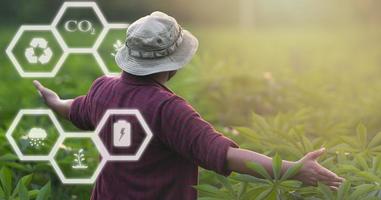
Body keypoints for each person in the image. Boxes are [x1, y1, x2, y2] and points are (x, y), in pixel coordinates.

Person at [33, 11, 344, 200]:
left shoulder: (102, 88)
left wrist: (53, 100)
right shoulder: (167, 109)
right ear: (173, 65)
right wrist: (294, 170)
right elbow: (224, 155)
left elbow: (74, 109)